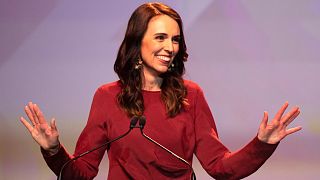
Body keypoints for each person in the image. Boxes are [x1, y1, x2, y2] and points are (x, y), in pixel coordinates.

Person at [20, 2, 302, 180]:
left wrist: (262, 144)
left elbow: (220, 167)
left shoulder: (191, 96)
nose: (171, 47)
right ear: (137, 43)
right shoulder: (107, 97)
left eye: (176, 39)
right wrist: (54, 150)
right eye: (161, 37)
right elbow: (81, 174)